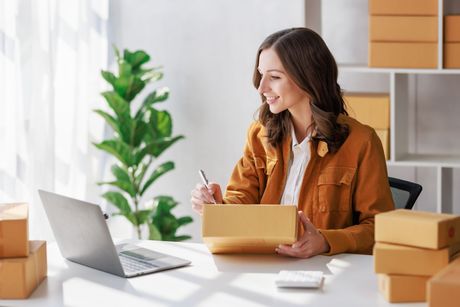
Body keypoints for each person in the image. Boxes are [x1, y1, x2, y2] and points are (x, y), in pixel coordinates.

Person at [190, 27, 394, 258]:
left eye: (274, 77)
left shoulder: (361, 142)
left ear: (308, 77)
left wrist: (325, 241)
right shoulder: (259, 135)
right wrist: (218, 208)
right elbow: (243, 201)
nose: (261, 87)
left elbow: (379, 228)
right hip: (264, 266)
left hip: (327, 272)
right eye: (261, 74)